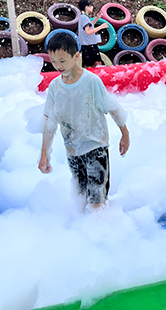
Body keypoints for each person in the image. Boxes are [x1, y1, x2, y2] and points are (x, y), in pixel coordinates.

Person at [38, 32, 130, 209]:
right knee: (80, 198)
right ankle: (82, 231)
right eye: (54, 61)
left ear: (76, 56)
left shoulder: (91, 81)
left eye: (63, 61)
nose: (58, 66)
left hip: (96, 147)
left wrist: (125, 133)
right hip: (73, 151)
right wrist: (44, 154)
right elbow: (49, 121)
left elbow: (113, 108)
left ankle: (100, 229)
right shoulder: (55, 87)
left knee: (97, 200)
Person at [78, 0, 109, 67]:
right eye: (91, 6)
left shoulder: (84, 17)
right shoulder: (84, 17)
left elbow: (90, 25)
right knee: (95, 64)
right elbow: (88, 31)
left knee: (95, 64)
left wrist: (97, 18)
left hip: (89, 45)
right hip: (89, 46)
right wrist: (101, 27)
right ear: (86, 7)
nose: (92, 7)